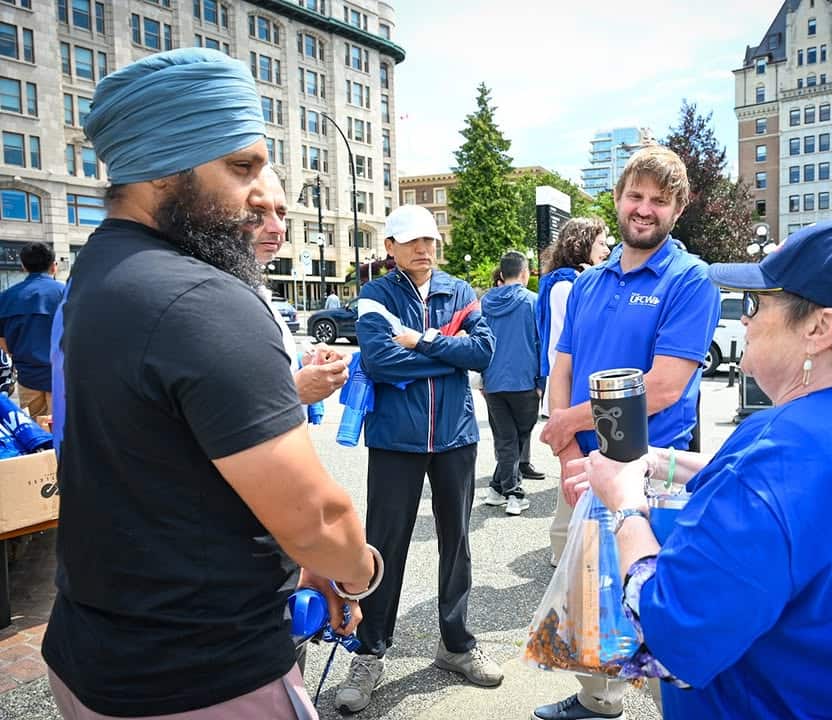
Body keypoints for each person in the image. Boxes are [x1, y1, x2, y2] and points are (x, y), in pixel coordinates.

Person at [42, 48, 377, 719]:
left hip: (94, 655)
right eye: (242, 166)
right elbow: (317, 516)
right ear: (165, 168)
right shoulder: (200, 299)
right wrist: (354, 570)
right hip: (202, 677)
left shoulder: (100, 273)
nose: (263, 193)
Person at [562, 220, 832, 719]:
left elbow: (671, 636)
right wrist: (659, 461)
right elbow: (766, 496)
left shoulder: (784, 454)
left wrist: (626, 506)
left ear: (820, 328)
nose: (745, 319)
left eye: (759, 304)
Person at [534, 146, 720, 720]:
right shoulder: (590, 283)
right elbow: (560, 366)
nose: (644, 210)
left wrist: (566, 421)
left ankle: (680, 709)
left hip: (650, 470)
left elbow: (663, 387)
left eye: (658, 201)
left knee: (652, 594)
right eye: (635, 196)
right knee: (588, 587)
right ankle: (599, 699)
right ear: (617, 199)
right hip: (583, 466)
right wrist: (568, 451)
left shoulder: (690, 281)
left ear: (678, 208)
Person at [335, 204, 501, 713]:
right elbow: (379, 360)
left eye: (429, 239)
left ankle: (456, 644)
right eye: (410, 241)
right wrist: (446, 356)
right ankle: (369, 651)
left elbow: (484, 352)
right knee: (383, 547)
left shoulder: (460, 290)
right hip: (395, 440)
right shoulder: (374, 295)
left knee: (458, 544)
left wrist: (425, 341)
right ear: (390, 247)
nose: (423, 248)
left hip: (454, 437)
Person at [536, 216, 611, 565]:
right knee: (575, 475)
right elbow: (563, 346)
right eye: (601, 242)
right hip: (566, 388)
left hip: (561, 387)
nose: (607, 249)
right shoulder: (569, 285)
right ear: (582, 245)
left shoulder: (560, 281)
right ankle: (567, 554)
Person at [248, 166, 349, 404]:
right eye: (257, 213)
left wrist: (304, 362)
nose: (279, 228)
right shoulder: (202, 296)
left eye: (281, 214)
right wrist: (293, 391)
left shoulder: (253, 291)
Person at [480, 250, 543, 516]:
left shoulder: (485, 302)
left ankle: (496, 488)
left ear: (502, 274)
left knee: (508, 439)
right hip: (524, 380)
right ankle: (514, 492)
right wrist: (542, 381)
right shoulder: (533, 302)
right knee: (515, 438)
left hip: (493, 381)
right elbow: (540, 342)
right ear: (525, 273)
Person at [0, 242, 65, 417]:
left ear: (23, 266)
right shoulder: (66, 293)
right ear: (54, 266)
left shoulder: (6, 297)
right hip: (61, 377)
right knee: (63, 432)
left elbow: (2, 341)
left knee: (35, 433)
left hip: (28, 377)